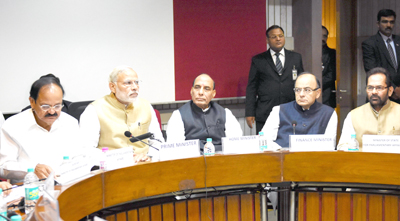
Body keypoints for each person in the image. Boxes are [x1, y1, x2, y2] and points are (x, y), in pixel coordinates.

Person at [0, 76, 80, 183]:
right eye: (45, 106)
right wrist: (32, 169)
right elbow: (3, 166)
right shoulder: (13, 125)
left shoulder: (70, 123)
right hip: (29, 189)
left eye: (57, 106)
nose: (52, 111)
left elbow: (79, 157)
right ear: (32, 102)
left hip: (66, 185)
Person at [80, 66, 164, 160]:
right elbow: (86, 149)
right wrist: (121, 159)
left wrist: (149, 157)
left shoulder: (146, 106)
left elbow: (158, 143)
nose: (135, 87)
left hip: (144, 165)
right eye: (128, 83)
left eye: (136, 82)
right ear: (112, 86)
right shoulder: (94, 109)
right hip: (112, 168)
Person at [245, 25, 304, 134]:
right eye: (274, 37)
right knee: (265, 146)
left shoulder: (295, 57)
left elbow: (302, 84)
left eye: (281, 36)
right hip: (265, 111)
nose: (278, 39)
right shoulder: (258, 60)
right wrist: (249, 112)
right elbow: (251, 87)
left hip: (291, 110)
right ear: (267, 40)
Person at [167, 74, 243, 152]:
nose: (201, 92)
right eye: (197, 87)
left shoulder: (225, 113)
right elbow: (175, 150)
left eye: (206, 89)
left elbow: (236, 143)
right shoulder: (178, 115)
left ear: (213, 93)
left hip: (221, 159)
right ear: (191, 91)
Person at [261, 72, 337, 148]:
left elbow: (329, 146)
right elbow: (264, 140)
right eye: (298, 90)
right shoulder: (279, 110)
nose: (301, 94)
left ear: (318, 93)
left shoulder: (329, 113)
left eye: (307, 90)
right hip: (283, 158)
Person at [338, 67, 400, 149]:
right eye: (370, 88)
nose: (374, 92)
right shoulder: (354, 116)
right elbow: (343, 147)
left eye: (379, 88)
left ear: (390, 91)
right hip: (362, 161)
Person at [362, 9, 400, 103]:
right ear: (378, 24)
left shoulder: (399, 41)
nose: (388, 25)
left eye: (391, 22)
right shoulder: (370, 43)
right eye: (385, 22)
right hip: (380, 95)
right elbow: (372, 70)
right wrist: (393, 89)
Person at [322, 26, 337, 108]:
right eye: (320, 35)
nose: (322, 38)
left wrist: (316, 85)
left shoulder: (332, 54)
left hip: (327, 96)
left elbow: (332, 75)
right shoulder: (308, 53)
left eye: (324, 36)